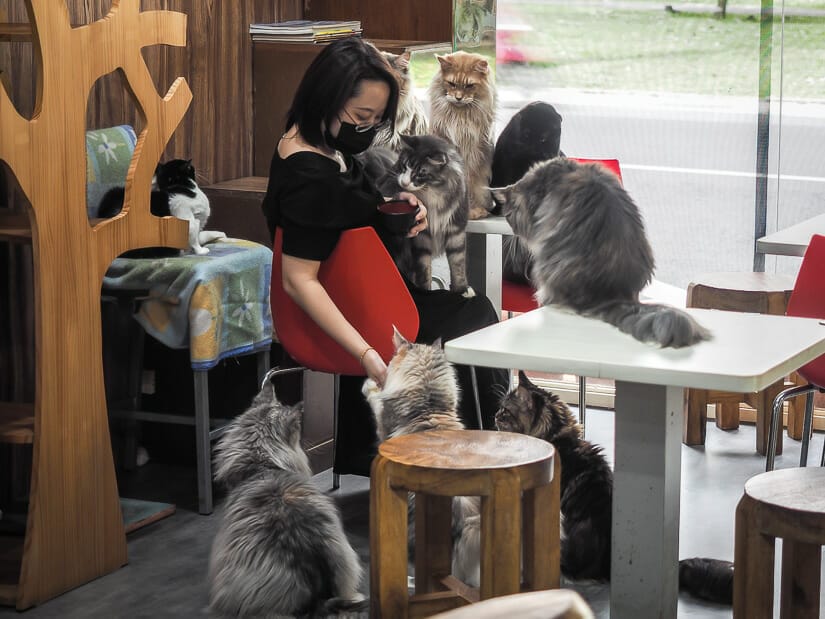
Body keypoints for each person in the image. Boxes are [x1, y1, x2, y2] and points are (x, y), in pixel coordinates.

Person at [261, 37, 508, 476]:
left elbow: (350, 215)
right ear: (326, 99)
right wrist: (366, 356)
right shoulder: (308, 178)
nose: (369, 128)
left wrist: (396, 209)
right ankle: (481, 459)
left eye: (377, 119)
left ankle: (400, 456)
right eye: (361, 117)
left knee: (468, 309)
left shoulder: (325, 147)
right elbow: (298, 280)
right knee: (473, 316)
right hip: (355, 317)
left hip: (369, 299)